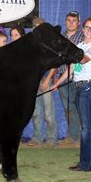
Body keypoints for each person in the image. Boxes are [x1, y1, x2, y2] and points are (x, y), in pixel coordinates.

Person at [53, 17, 91, 171]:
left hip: (89, 87)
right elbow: (71, 68)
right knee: (89, 126)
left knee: (86, 128)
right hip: (80, 88)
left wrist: (68, 53)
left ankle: (87, 164)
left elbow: (83, 60)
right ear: (82, 29)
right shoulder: (79, 45)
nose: (89, 30)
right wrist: (57, 84)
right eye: (87, 27)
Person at [55, 11, 84, 148]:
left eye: (74, 20)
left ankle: (78, 137)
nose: (71, 23)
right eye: (68, 20)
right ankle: (72, 135)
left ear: (79, 22)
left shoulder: (84, 36)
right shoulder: (61, 37)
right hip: (62, 74)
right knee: (68, 107)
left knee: (77, 107)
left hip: (78, 77)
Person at [29, 18, 59, 147]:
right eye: (35, 26)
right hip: (34, 81)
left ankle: (52, 139)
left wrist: (47, 80)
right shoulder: (30, 45)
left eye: (39, 26)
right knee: (35, 112)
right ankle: (37, 138)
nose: (37, 28)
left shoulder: (50, 44)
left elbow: (54, 64)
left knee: (48, 113)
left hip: (46, 80)